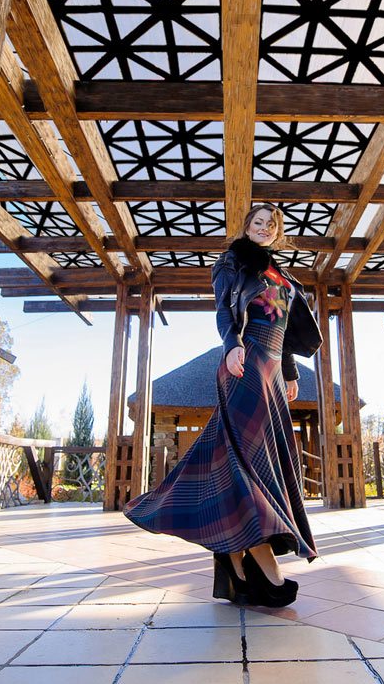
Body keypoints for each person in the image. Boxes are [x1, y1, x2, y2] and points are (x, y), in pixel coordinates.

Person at [123, 204, 322, 608]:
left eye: (271, 224)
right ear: (246, 228)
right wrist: (231, 346)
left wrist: (290, 372)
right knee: (246, 461)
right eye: (257, 222)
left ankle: (235, 558)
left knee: (242, 460)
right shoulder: (231, 263)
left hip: (271, 368)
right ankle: (261, 560)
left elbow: (283, 331)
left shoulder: (283, 277)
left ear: (277, 232)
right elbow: (224, 312)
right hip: (244, 362)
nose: (264, 228)